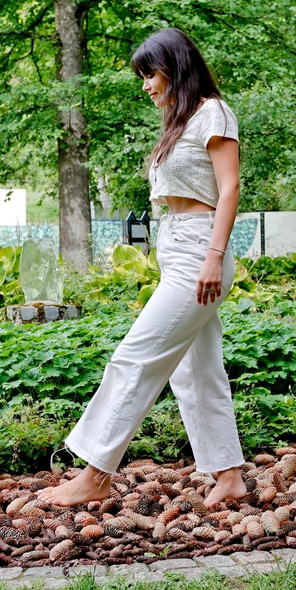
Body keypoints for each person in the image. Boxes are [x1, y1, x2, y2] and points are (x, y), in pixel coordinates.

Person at [40, 28, 248, 508]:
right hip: (178, 246)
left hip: (201, 249)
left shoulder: (212, 112)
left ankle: (95, 472)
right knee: (196, 371)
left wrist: (214, 257)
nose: (146, 85)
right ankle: (229, 475)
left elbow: (230, 187)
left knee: (136, 357)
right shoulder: (179, 122)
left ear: (175, 69)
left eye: (150, 75)